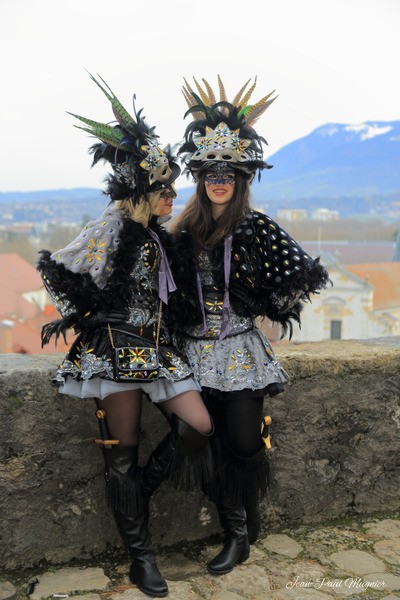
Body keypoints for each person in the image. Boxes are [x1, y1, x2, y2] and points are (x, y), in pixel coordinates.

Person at [37, 73, 213, 599]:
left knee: (198, 425)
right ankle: (142, 559)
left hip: (158, 350)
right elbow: (57, 269)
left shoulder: (157, 235)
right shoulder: (111, 227)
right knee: (121, 453)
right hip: (114, 351)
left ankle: (143, 489)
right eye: (164, 189)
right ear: (141, 191)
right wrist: (92, 316)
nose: (172, 195)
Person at [173, 76, 330, 575]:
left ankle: (250, 507)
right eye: (210, 172)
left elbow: (300, 272)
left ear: (241, 178)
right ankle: (236, 531)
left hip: (240, 351)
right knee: (209, 441)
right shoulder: (183, 229)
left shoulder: (257, 226)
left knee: (243, 440)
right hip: (193, 352)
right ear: (200, 178)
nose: (219, 179)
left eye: (229, 173)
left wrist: (266, 311)